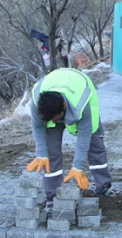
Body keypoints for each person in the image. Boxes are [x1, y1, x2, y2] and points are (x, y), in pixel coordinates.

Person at [25, 68, 113, 205]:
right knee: (51, 151)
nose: (53, 122)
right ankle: (52, 194)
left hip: (79, 89)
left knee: (94, 142)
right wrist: (41, 153)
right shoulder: (37, 101)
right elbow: (37, 127)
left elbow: (85, 135)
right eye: (50, 120)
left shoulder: (81, 101)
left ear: (64, 106)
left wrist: (77, 166)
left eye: (56, 118)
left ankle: (103, 185)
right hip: (56, 90)